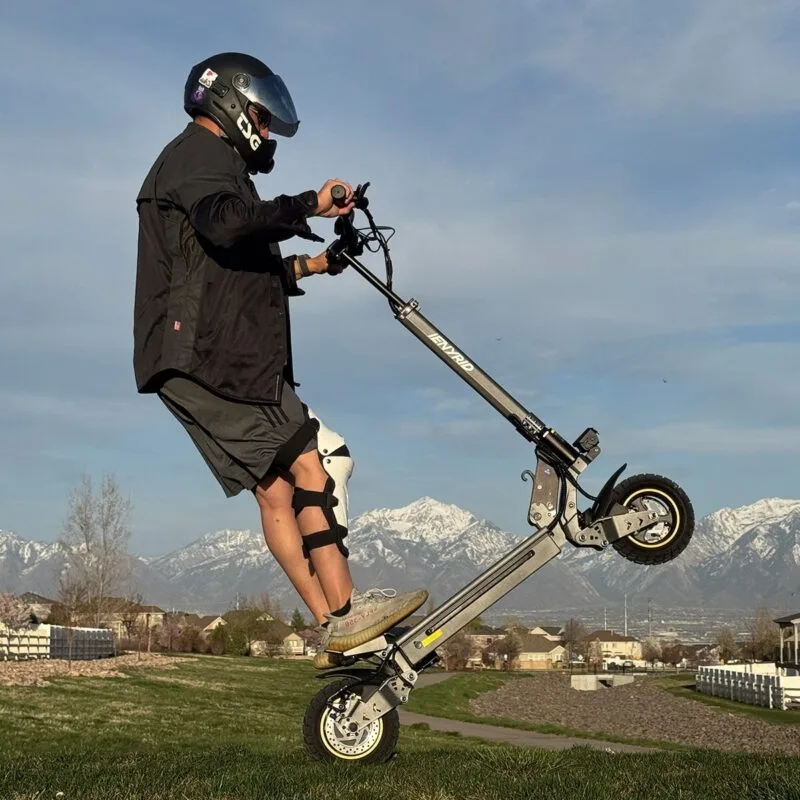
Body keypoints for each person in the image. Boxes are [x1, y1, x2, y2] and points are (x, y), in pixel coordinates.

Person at [133, 52, 428, 668]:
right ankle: (348, 617)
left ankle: (330, 628)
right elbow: (224, 227)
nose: (267, 135)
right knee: (310, 465)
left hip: (205, 354)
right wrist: (305, 206)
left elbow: (231, 268)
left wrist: (313, 265)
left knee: (273, 493)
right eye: (263, 121)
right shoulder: (197, 157)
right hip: (215, 357)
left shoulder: (212, 169)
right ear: (232, 106)